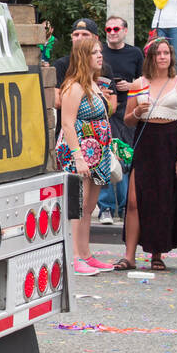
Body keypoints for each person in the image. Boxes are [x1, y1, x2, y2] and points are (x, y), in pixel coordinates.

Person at [114, 38, 177, 271]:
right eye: (158, 53)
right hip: (145, 141)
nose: (162, 57)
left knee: (162, 200)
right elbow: (128, 120)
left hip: (170, 141)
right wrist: (138, 110)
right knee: (134, 201)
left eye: (166, 53)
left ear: (171, 57)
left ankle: (156, 254)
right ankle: (129, 256)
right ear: (150, 57)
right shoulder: (139, 83)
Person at [52, 35, 116, 275]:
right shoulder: (74, 86)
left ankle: (86, 253)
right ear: (83, 57)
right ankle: (74, 256)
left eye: (100, 52)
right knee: (76, 206)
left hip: (98, 151)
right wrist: (78, 156)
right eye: (94, 52)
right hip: (80, 151)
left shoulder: (94, 84)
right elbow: (67, 124)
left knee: (89, 206)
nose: (100, 56)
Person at [95, 15, 144, 223]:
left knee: (124, 155)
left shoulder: (135, 53)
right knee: (105, 155)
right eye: (109, 29)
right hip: (102, 108)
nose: (112, 32)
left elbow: (144, 80)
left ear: (125, 30)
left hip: (127, 108)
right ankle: (105, 206)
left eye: (116, 29)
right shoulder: (99, 53)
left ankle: (125, 206)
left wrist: (130, 86)